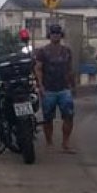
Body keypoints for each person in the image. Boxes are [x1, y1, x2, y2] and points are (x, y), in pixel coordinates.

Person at [34, 24, 76, 152]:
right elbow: (38, 69)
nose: (55, 35)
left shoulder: (67, 51)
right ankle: (49, 142)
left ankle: (66, 143)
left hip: (64, 88)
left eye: (57, 33)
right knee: (48, 118)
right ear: (49, 35)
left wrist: (72, 85)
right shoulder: (42, 51)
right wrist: (40, 86)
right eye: (53, 33)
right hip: (48, 89)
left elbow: (70, 69)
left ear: (61, 35)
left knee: (68, 116)